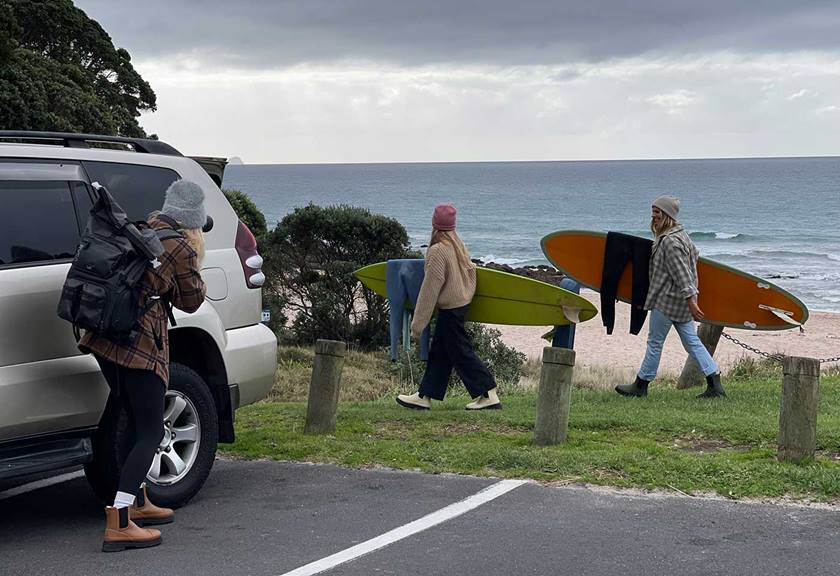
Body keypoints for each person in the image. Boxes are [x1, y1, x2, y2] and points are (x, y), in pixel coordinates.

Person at [80, 180, 208, 552]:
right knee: (152, 430)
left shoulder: (139, 229)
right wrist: (196, 256)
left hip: (106, 339)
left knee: (136, 421)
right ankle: (119, 521)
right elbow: (192, 302)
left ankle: (137, 501)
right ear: (193, 221)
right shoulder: (179, 247)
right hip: (140, 346)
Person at [615, 195, 726, 399]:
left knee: (655, 342)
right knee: (691, 342)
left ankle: (641, 384)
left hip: (666, 301)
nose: (653, 215)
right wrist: (690, 301)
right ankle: (714, 381)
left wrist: (692, 301)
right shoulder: (681, 235)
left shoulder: (670, 242)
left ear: (667, 214)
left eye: (657, 212)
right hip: (679, 303)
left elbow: (682, 274)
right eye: (653, 211)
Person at [396, 204, 500, 411]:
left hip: (450, 309)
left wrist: (417, 325)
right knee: (441, 353)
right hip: (460, 305)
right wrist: (465, 295)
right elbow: (472, 274)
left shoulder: (437, 251)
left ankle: (489, 393)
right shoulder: (458, 246)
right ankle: (425, 396)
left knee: (462, 352)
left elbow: (429, 291)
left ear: (434, 225)